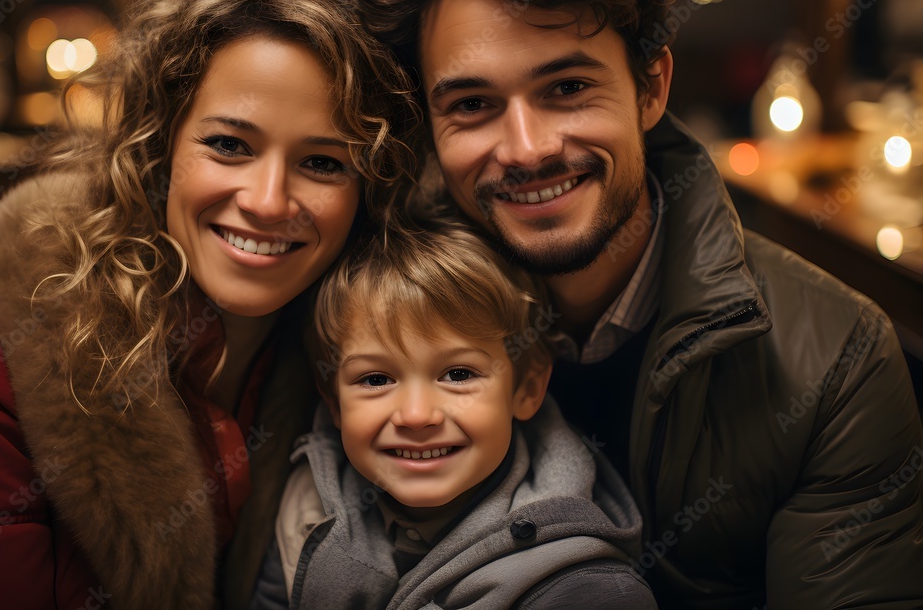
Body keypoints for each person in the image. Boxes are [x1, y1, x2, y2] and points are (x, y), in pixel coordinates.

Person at [352, 0, 923, 608]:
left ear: (650, 88)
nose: (526, 148)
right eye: (473, 103)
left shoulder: (836, 362)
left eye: (566, 88)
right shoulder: (366, 306)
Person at [0, 0, 417, 610]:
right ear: (158, 147)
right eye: (229, 145)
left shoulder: (350, 366)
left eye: (325, 162)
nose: (268, 200)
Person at [250, 215, 657, 610]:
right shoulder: (307, 504)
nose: (415, 415)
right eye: (375, 380)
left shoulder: (581, 588)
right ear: (333, 402)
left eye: (458, 374)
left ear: (527, 387)